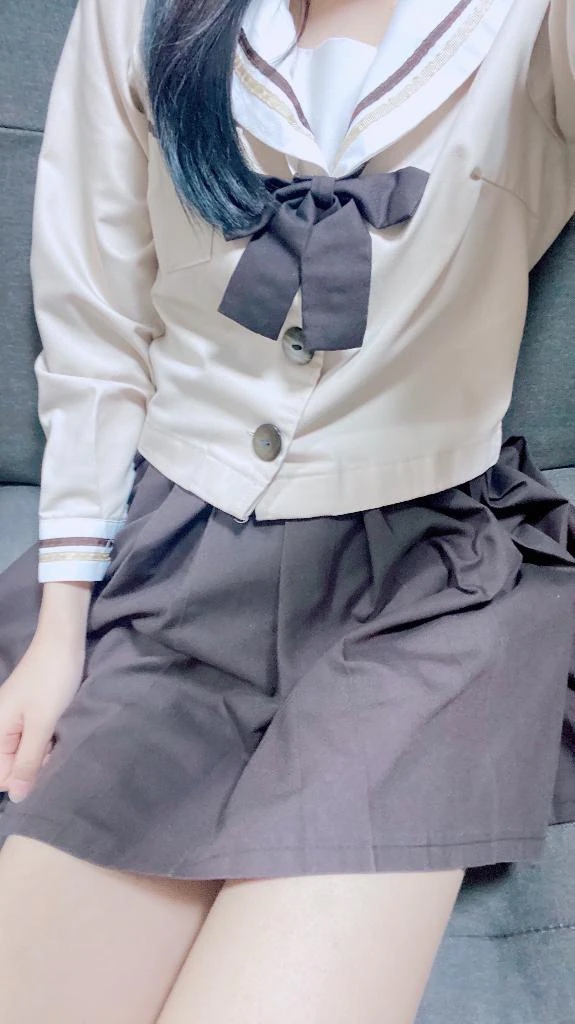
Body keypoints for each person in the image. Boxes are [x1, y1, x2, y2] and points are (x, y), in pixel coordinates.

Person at [0, 0, 573, 1020]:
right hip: (172, 564)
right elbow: (94, 327)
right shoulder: (132, 13)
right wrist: (60, 624)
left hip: (421, 589)